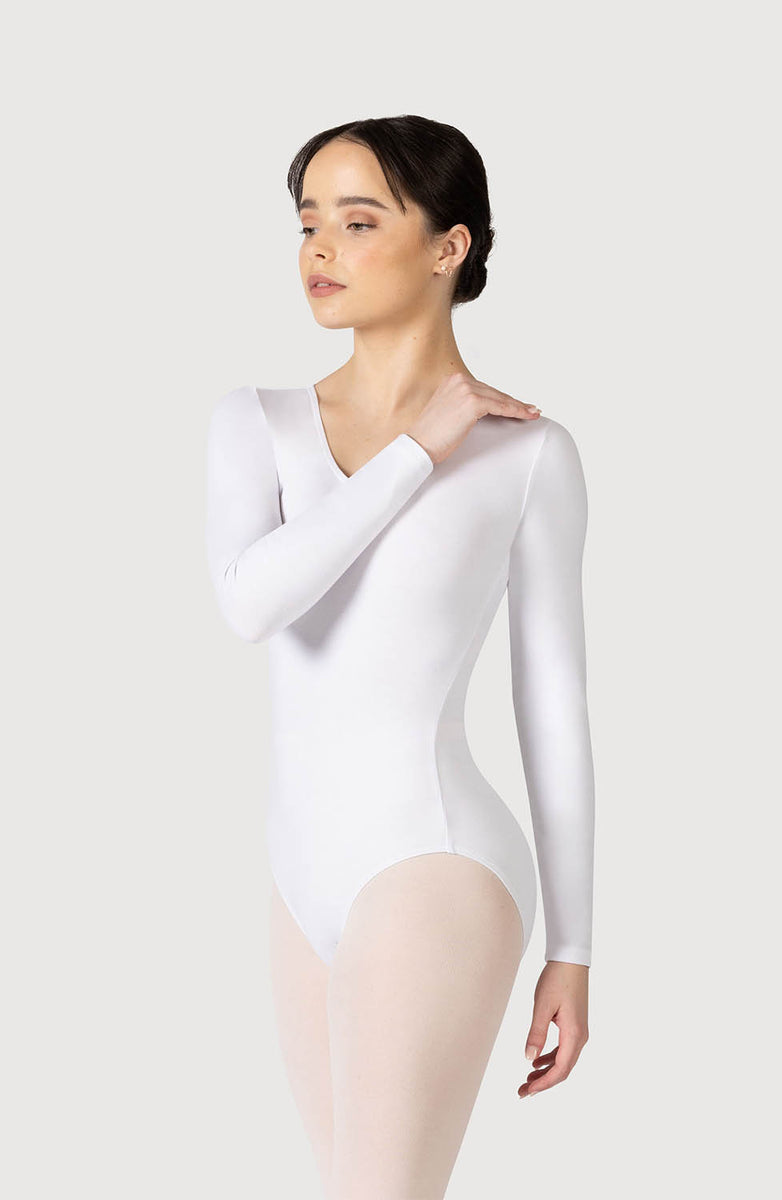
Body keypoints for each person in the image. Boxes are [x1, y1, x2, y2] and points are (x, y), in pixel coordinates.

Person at [205, 114, 595, 1200]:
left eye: (359, 221)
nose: (319, 249)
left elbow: (552, 702)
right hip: (299, 879)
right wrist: (419, 447)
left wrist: (573, 947)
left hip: (438, 863)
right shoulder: (254, 423)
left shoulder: (528, 453)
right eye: (307, 224)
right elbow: (253, 603)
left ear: (448, 246)